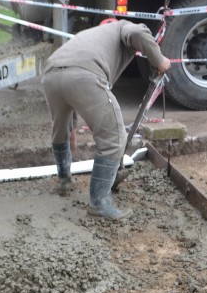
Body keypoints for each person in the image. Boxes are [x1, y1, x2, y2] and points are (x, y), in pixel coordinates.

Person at [41, 18, 171, 219]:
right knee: (114, 138)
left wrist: (71, 126)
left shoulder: (88, 36)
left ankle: (64, 181)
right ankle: (99, 203)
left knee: (62, 132)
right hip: (84, 74)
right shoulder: (122, 26)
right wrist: (159, 59)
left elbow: (69, 77)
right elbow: (138, 34)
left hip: (51, 75)